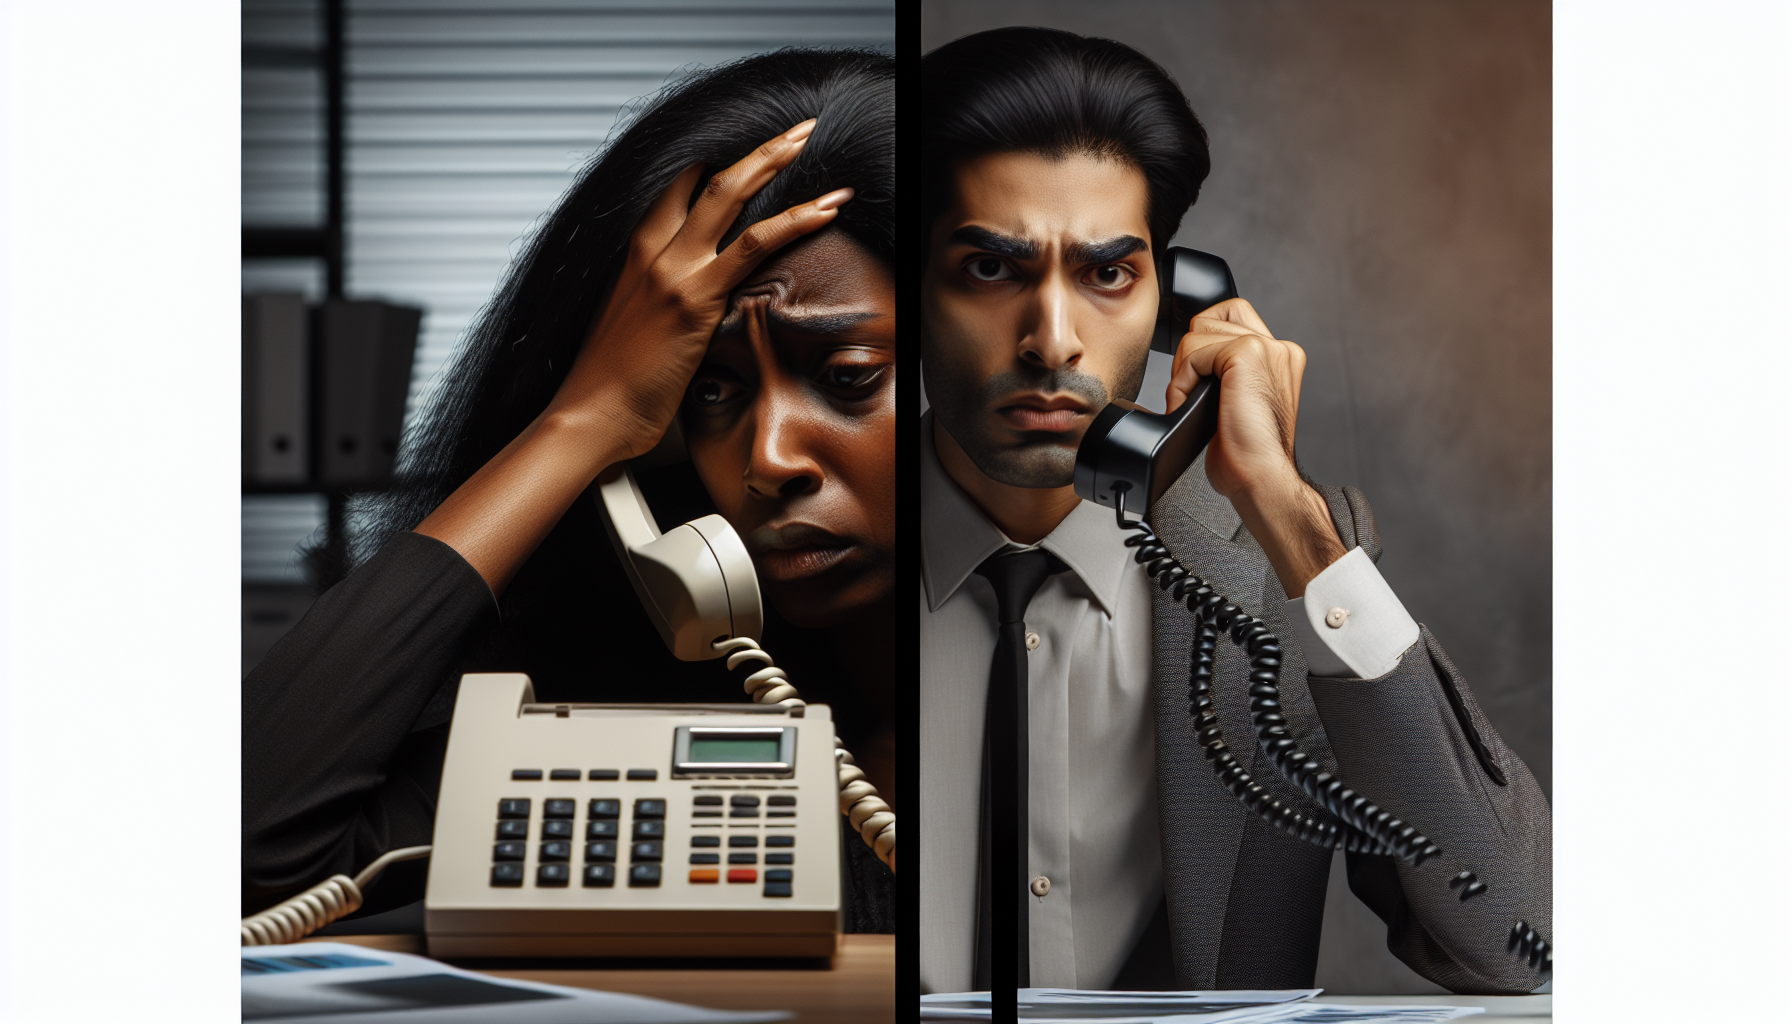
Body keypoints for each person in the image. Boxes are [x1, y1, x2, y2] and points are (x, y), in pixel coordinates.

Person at [917, 28, 1549, 993]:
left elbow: (1517, 940)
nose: (1053, 341)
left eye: (1107, 274)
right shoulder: (813, 544)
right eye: (990, 270)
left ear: (1179, 303)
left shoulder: (1273, 567)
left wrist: (1286, 517)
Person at [243, 48, 896, 932]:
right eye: (710, 392)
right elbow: (251, 857)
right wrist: (585, 421)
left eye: (851, 376)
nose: (770, 459)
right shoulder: (594, 732)